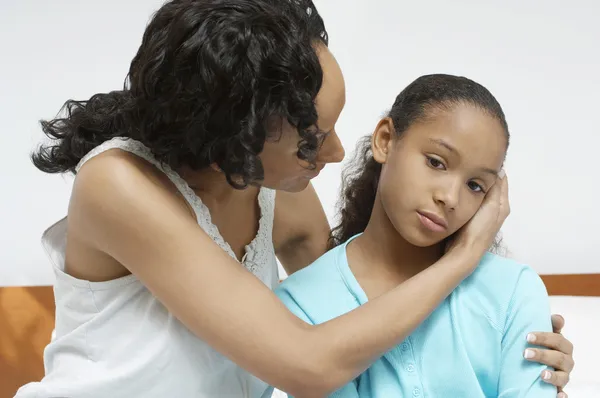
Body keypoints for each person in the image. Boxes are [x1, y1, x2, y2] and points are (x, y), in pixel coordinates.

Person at [17, 1, 573, 397]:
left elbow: (352, 295)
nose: (334, 153)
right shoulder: (119, 185)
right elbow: (310, 364)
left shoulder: (262, 185)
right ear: (234, 138)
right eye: (310, 140)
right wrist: (464, 259)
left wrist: (504, 330)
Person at [275, 74, 567, 397]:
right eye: (436, 162)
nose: (450, 198)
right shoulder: (302, 303)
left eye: (475, 185)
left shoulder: (515, 292)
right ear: (385, 140)